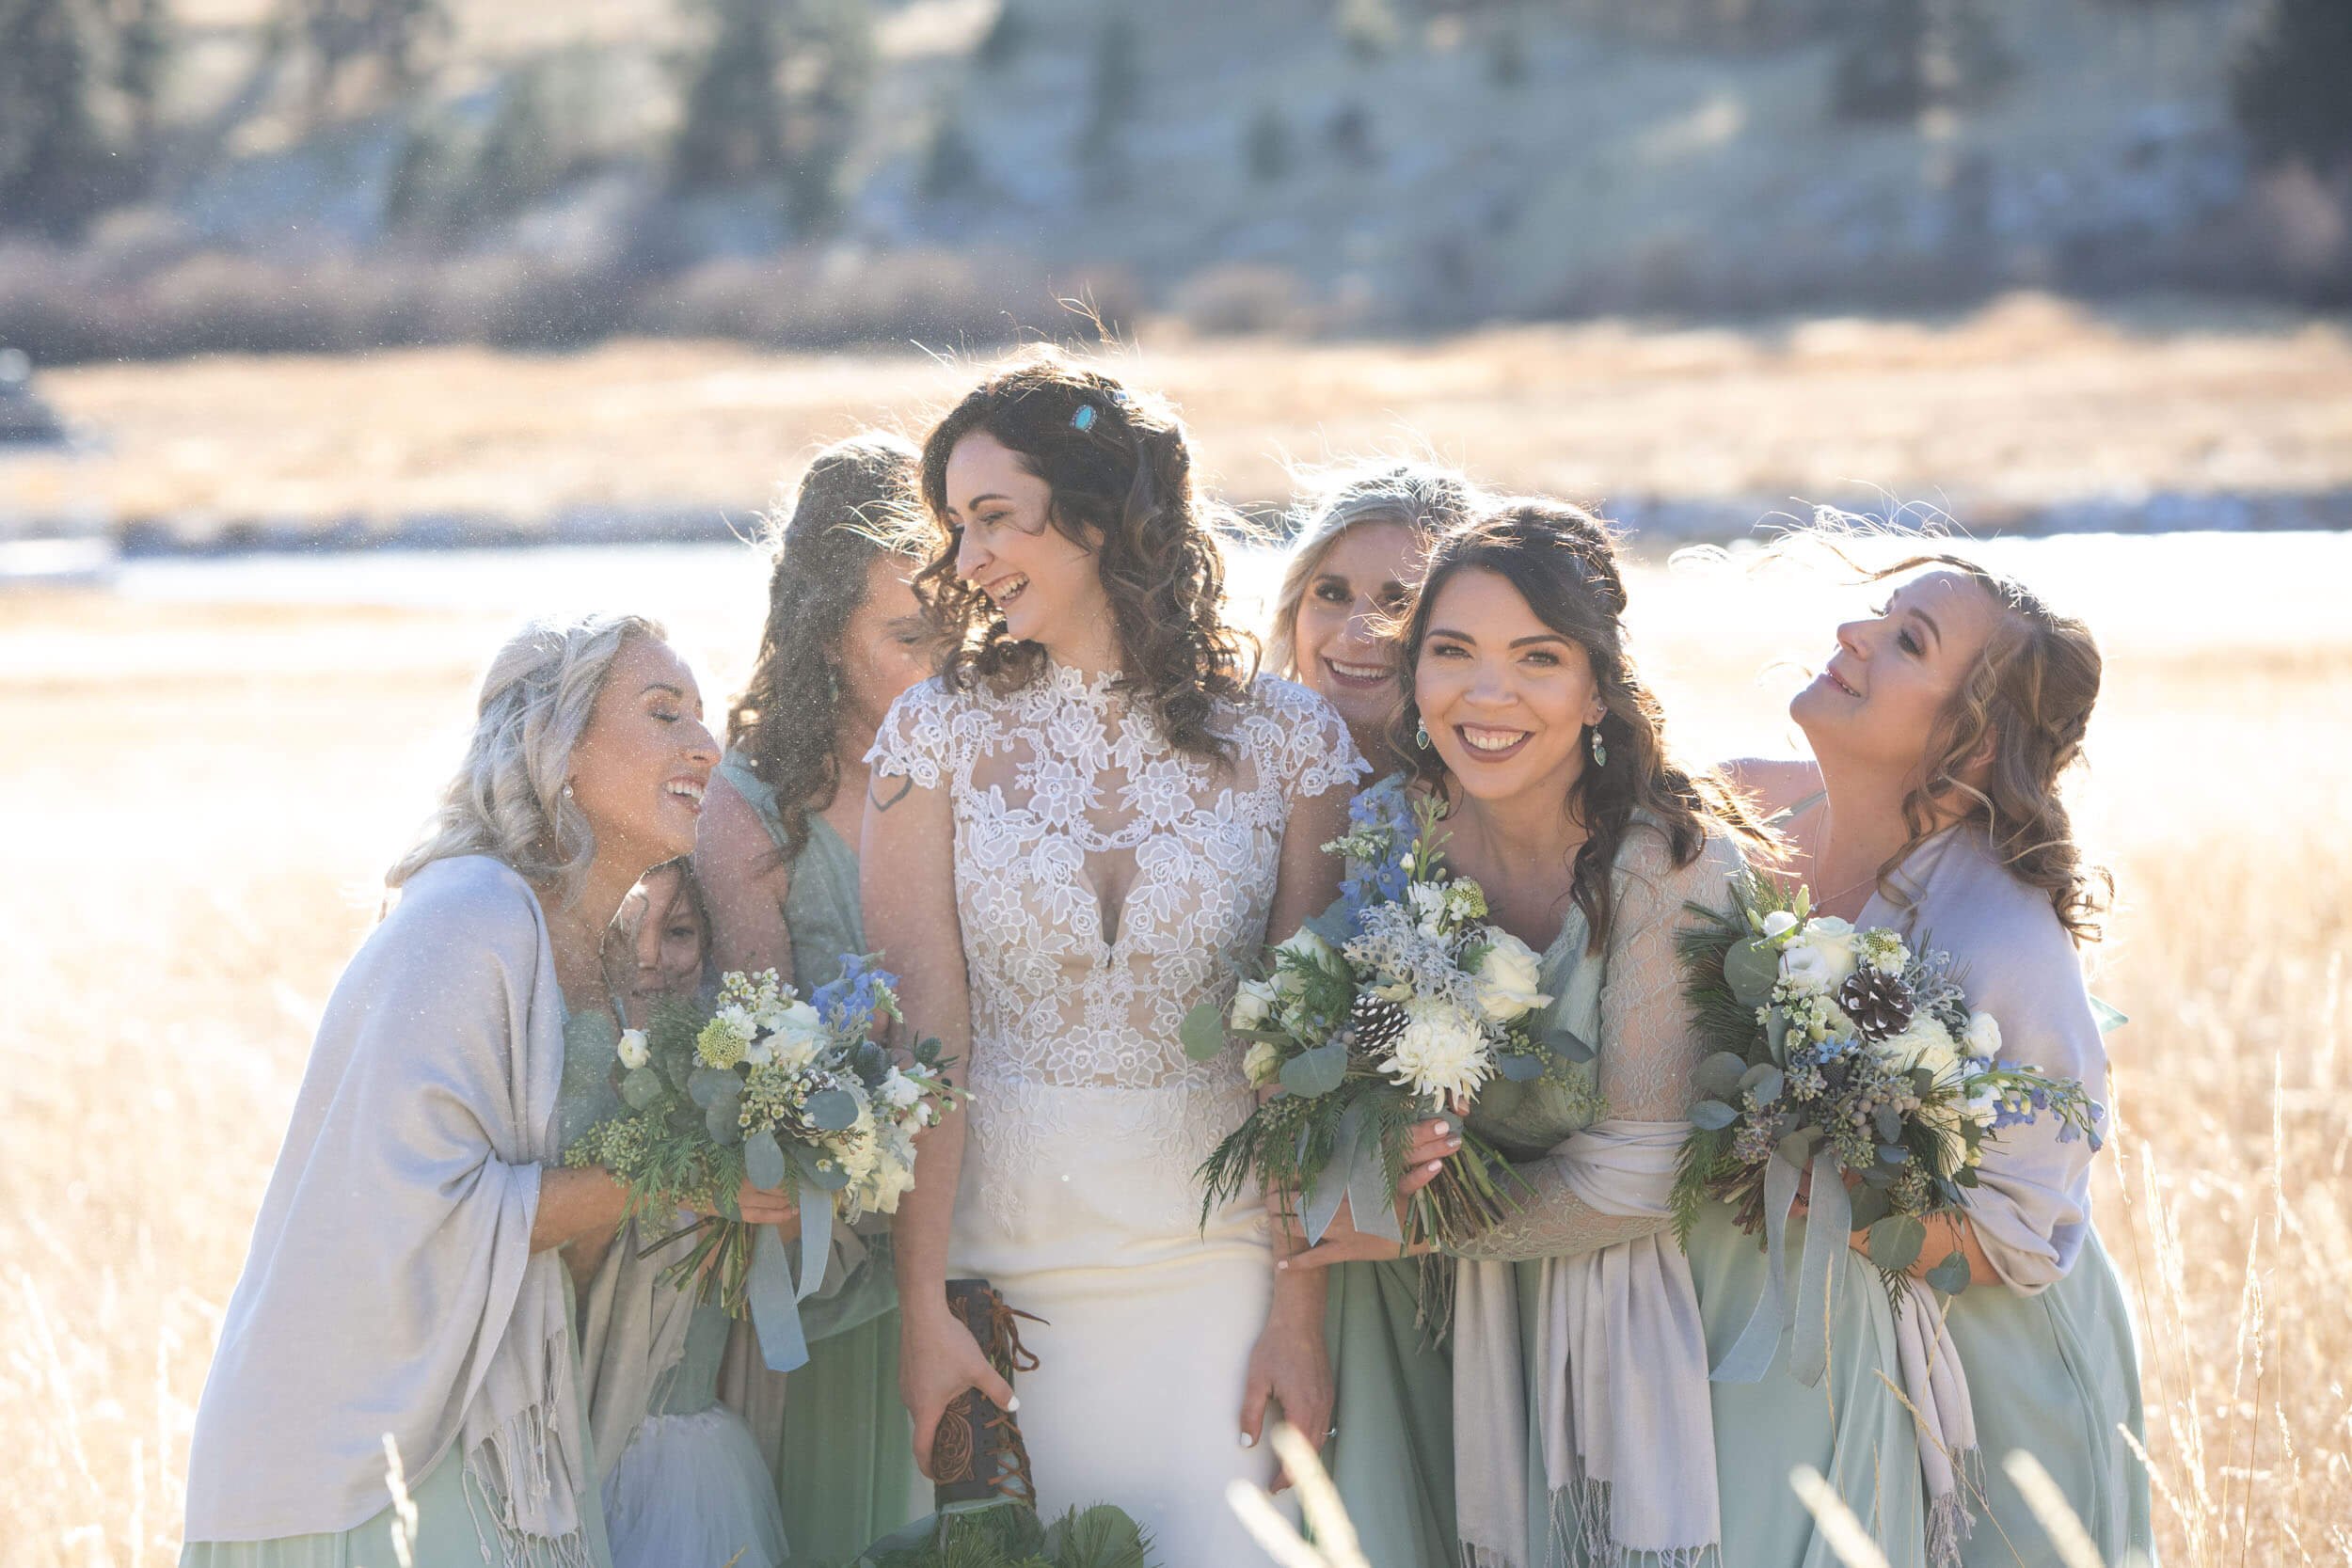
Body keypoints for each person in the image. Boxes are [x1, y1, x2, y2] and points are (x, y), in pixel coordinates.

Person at [1292, 503, 1933, 1568]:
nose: (1486, 694)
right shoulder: (1399, 833)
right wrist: (1387, 1144)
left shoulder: (1665, 864)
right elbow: (1341, 1048)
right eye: (1451, 652)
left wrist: (1417, 1227)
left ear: (1598, 688)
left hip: (1729, 1327)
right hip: (1533, 1309)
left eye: (1534, 658)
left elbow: (1639, 1176)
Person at [863, 351, 1363, 1566]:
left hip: (1214, 1264)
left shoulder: (1291, 737)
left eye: (995, 517)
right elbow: (925, 1035)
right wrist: (921, 1309)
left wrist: (1300, 1314)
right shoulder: (932, 732)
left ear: (1097, 512)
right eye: (957, 525)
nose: (968, 559)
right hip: (1001, 1262)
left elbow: (1303, 1053)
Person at [182, 613, 791, 1568]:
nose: (706, 746)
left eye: (701, 716)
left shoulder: (612, 956)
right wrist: (687, 1177)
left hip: (509, 1433)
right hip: (373, 1447)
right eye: (663, 712)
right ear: (557, 742)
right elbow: (416, 1217)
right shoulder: (471, 914)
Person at [1725, 543, 2152, 1568]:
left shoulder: (2002, 938)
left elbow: (2017, 1235)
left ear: (1970, 744)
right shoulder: (1739, 810)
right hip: (1793, 1362)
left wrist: (1806, 1194)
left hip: (1993, 1379)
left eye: (1905, 640)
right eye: (1878, 612)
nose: (1851, 635)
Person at [694, 432, 934, 1563]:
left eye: (963, 627)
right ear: (825, 627)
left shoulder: (988, 762)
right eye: (907, 634)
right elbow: (758, 1052)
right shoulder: (752, 806)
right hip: (839, 1267)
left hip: (1008, 1231)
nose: (945, 664)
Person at [1263, 458, 1484, 1568]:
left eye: (1400, 605)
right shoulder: (1224, 789)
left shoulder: (1468, 816)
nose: (1356, 630)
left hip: (1436, 1254)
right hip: (1248, 1251)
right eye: (1332, 592)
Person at [580, 856, 789, 1568]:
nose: (651, 962)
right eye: (623, 934)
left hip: (691, 1462)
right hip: (574, 1437)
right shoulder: (568, 1080)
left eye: (677, 932)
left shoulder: (737, 1082)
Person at [1264, 461, 1486, 776]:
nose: (1354, 636)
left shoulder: (1485, 805)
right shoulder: (1226, 764)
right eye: (1332, 594)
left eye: (1399, 604)